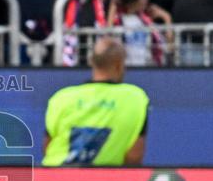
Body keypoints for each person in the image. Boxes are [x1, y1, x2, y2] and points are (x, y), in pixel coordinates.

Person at [43, 36, 148, 166]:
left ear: (91, 61)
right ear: (119, 65)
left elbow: (48, 147)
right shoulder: (135, 98)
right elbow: (134, 157)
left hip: (55, 175)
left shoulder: (61, 97)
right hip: (106, 177)